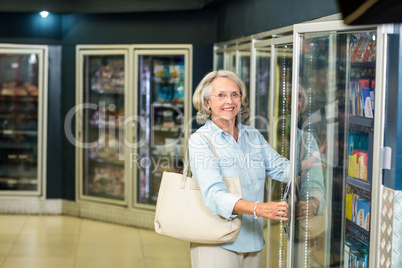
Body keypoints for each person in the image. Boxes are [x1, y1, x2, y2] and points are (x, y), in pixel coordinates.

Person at [188, 70, 290, 268]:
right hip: (216, 243)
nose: (230, 101)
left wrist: (310, 163)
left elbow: (280, 168)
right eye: (221, 95)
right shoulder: (200, 141)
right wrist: (259, 208)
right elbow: (215, 195)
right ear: (207, 102)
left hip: (253, 240)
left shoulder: (252, 136)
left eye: (235, 94)